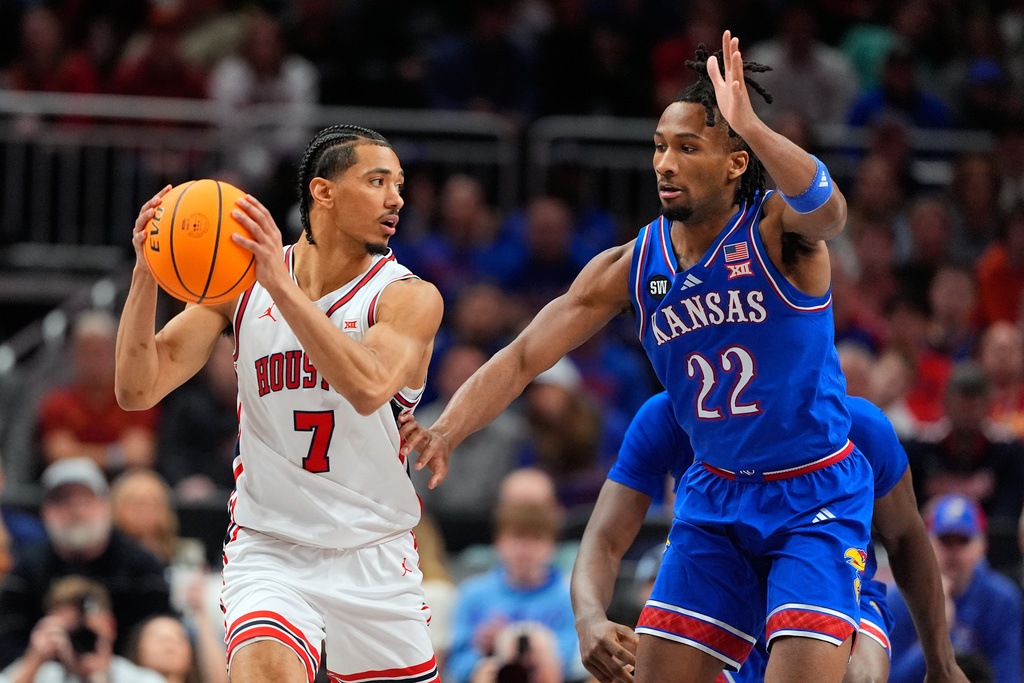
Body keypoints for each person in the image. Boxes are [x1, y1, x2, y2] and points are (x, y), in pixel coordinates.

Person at [402, 31, 872, 683]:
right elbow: (521, 357)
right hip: (713, 493)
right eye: (658, 147)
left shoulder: (777, 236)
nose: (665, 163)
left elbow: (830, 209)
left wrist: (752, 126)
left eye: (686, 147)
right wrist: (448, 427)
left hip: (809, 490)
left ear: (735, 162)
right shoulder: (631, 265)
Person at [114, 125, 444, 683]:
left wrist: (279, 284)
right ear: (324, 193)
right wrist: (148, 271)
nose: (396, 198)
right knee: (265, 669)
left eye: (399, 184)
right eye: (378, 181)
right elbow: (137, 388)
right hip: (271, 548)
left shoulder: (408, 297)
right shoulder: (241, 288)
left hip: (374, 553)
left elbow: (367, 388)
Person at [570, 391, 966, 683]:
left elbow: (906, 537)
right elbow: (604, 537)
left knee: (857, 678)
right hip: (722, 580)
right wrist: (588, 617)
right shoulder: (667, 415)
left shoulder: (857, 424)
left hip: (833, 583)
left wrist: (942, 662)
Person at [0, 458, 170, 669]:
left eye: (85, 500)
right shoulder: (27, 568)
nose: (76, 511)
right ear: (46, 511)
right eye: (63, 501)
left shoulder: (141, 566)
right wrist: (37, 654)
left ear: (105, 505)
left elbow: (164, 638)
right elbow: (7, 645)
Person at [888, 494, 1023, 683]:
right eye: (945, 541)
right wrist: (935, 634)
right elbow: (889, 679)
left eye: (963, 541)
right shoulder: (899, 598)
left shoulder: (1003, 600)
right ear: (926, 544)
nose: (954, 552)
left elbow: (1008, 675)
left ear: (982, 545)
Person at [445, 501, 582, 683]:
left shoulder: (568, 598)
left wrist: (536, 651)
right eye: (517, 538)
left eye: (536, 539)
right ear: (498, 542)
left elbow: (568, 663)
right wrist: (485, 651)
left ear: (552, 546)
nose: (525, 550)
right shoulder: (472, 595)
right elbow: (456, 666)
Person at [35, 310, 158, 479]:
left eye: (100, 352)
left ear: (117, 354)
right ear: (75, 355)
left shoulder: (137, 398)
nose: (94, 361)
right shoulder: (57, 402)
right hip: (73, 483)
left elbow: (140, 454)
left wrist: (78, 453)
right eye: (86, 352)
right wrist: (119, 455)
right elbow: (57, 455)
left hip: (122, 482)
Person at [0, 575, 166, 683]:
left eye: (90, 631)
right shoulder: (39, 675)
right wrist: (33, 660)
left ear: (111, 626)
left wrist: (99, 677)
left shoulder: (142, 679)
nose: (82, 638)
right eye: (71, 632)